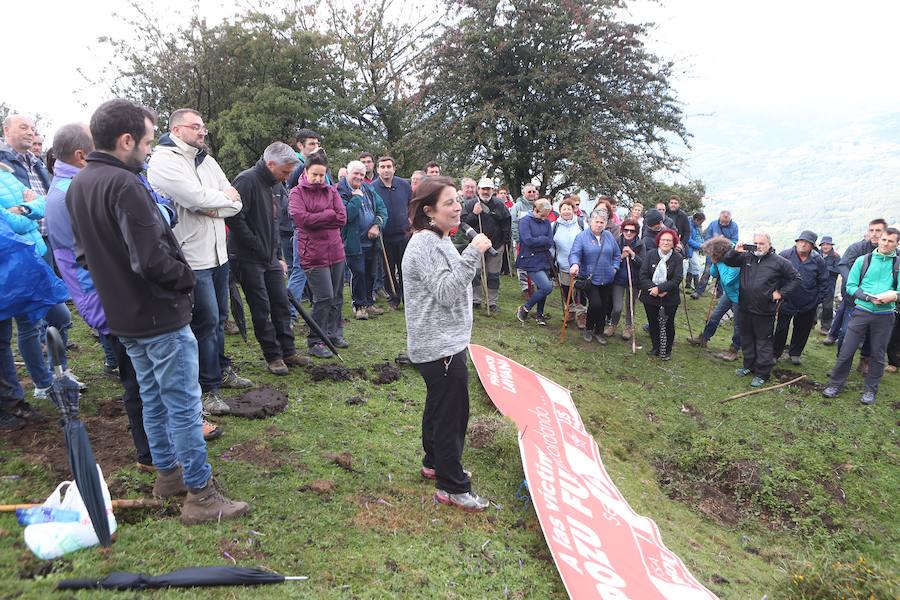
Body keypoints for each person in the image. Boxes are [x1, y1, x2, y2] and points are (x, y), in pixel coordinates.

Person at [67, 98, 248, 524]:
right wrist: (184, 280)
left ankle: (167, 475)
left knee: (152, 396)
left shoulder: (80, 185)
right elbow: (151, 260)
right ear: (126, 140)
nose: (150, 150)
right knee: (183, 404)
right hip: (158, 314)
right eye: (147, 143)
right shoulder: (125, 185)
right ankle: (201, 495)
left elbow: (81, 257)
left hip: (124, 316)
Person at [148, 108, 252, 416]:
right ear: (177, 130)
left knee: (219, 317)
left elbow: (235, 202)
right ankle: (208, 390)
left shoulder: (207, 159)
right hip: (192, 256)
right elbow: (194, 199)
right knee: (204, 322)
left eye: (204, 126)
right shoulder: (164, 161)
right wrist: (217, 202)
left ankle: (221, 368)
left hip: (219, 252)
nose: (203, 131)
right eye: (196, 127)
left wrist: (215, 206)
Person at [401, 175, 493, 512]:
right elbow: (445, 292)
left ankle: (434, 463)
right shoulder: (425, 244)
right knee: (452, 415)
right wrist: (472, 254)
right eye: (449, 203)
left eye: (457, 200)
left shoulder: (437, 239)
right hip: (438, 346)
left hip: (445, 342)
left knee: (439, 406)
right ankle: (452, 486)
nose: (458, 208)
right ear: (429, 211)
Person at [227, 142, 310, 374]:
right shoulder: (246, 180)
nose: (286, 178)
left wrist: (279, 255)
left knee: (281, 303)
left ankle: (288, 350)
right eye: (284, 172)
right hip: (247, 258)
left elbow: (274, 223)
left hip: (271, 258)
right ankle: (273, 356)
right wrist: (256, 247)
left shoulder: (275, 185)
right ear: (270, 163)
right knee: (261, 307)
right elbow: (234, 219)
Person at [0, 164, 79, 401]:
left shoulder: (6, 174)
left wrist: (22, 209)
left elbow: (42, 204)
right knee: (26, 327)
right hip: (10, 270)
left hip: (33, 261)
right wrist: (28, 212)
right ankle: (43, 383)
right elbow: (14, 225)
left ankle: (59, 372)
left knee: (61, 317)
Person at [822, 228, 900, 405]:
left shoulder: (898, 265)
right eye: (884, 239)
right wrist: (866, 297)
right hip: (861, 311)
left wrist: (893, 296)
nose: (886, 243)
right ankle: (835, 385)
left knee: (878, 355)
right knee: (847, 350)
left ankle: (870, 390)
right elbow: (850, 285)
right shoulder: (863, 260)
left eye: (890, 241)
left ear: (897, 244)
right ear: (879, 240)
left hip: (885, 315)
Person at [290, 150, 348, 358]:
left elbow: (342, 217)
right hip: (313, 254)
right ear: (305, 172)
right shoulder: (297, 193)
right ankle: (316, 340)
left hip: (335, 251)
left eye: (322, 175)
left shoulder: (331, 191)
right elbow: (301, 219)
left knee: (337, 296)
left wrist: (319, 217)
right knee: (324, 297)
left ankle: (333, 333)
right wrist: (328, 215)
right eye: (314, 174)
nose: (318, 179)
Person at [723, 233, 801, 388]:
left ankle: (762, 373)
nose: (758, 246)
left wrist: (781, 293)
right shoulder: (747, 257)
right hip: (745, 306)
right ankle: (749, 366)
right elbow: (728, 261)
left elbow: (796, 278)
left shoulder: (779, 262)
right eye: (755, 243)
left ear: (769, 244)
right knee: (746, 338)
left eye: (762, 243)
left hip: (765, 310)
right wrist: (735, 251)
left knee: (763, 342)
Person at [829, 219, 887, 374]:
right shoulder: (857, 248)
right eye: (872, 230)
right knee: (846, 332)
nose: (874, 234)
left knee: (871, 333)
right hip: (854, 300)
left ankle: (864, 360)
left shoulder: (892, 255)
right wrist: (855, 286)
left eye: (878, 230)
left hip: (879, 304)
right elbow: (843, 265)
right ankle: (841, 363)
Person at [338, 160, 388, 320]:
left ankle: (368, 303)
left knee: (371, 274)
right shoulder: (340, 190)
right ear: (348, 173)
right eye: (356, 174)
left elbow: (382, 209)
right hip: (353, 242)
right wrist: (357, 198)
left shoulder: (368, 188)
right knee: (358, 273)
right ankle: (358, 305)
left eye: (362, 174)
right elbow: (345, 216)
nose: (359, 177)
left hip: (372, 241)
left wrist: (377, 225)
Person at [1, 114, 51, 262]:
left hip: (47, 239)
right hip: (20, 248)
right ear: (6, 130)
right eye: (24, 127)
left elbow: (45, 200)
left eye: (32, 129)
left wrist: (26, 207)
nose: (30, 132)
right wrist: (28, 208)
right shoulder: (2, 164)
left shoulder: (37, 162)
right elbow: (5, 218)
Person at [773, 230, 828, 365]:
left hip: (808, 302)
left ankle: (795, 353)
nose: (803, 245)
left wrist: (816, 300)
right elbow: (774, 275)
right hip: (786, 300)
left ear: (812, 246)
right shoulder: (785, 255)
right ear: (797, 242)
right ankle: (775, 353)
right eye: (801, 241)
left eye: (807, 243)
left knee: (802, 329)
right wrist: (777, 292)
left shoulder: (818, 260)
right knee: (781, 328)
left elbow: (824, 282)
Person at [568, 209, 621, 344]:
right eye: (596, 221)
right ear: (591, 221)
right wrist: (575, 264)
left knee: (604, 306)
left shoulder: (609, 236)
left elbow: (617, 254)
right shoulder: (582, 237)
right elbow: (575, 253)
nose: (599, 225)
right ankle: (589, 328)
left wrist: (615, 268)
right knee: (596, 304)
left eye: (602, 222)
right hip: (590, 278)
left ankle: (599, 331)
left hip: (608, 278)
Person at [687, 236, 741, 360]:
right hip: (728, 294)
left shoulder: (735, 260)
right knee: (714, 316)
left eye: (712, 254)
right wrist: (715, 264)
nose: (710, 256)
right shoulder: (720, 260)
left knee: (738, 324)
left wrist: (718, 263)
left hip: (740, 296)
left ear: (718, 252)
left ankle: (734, 349)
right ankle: (703, 339)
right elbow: (714, 274)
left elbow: (728, 281)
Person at [463, 178, 511, 312]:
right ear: (478, 190)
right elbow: (463, 223)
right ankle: (475, 300)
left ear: (492, 190)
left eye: (488, 189)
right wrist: (474, 214)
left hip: (496, 245)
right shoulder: (470, 204)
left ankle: (492, 302)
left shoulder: (500, 205)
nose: (485, 192)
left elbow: (506, 223)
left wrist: (504, 242)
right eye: (483, 189)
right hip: (476, 245)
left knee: (493, 275)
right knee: (475, 273)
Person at [372, 156, 412, 309]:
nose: (386, 170)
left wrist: (410, 221)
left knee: (405, 268)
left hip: (404, 234)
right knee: (387, 269)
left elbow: (411, 205)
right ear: (378, 170)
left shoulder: (404, 185)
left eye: (389, 166)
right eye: (382, 167)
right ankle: (394, 298)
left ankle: (407, 297)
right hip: (384, 236)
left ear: (394, 168)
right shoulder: (373, 188)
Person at [639, 229, 683, 359]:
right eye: (663, 240)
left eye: (669, 240)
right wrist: (654, 289)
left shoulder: (677, 258)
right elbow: (643, 275)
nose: (665, 242)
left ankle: (667, 350)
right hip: (650, 296)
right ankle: (656, 347)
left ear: (673, 242)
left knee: (668, 324)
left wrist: (661, 289)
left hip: (669, 298)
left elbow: (677, 278)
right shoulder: (651, 254)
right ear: (658, 241)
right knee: (653, 323)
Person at [515, 199, 554, 325]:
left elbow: (550, 242)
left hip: (544, 258)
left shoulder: (547, 222)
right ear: (535, 210)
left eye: (546, 216)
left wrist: (540, 241)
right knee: (546, 287)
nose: (544, 218)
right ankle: (525, 307)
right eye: (542, 215)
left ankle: (540, 314)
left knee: (541, 288)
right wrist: (542, 240)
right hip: (530, 259)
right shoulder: (524, 221)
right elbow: (527, 241)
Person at [552, 197, 587, 329]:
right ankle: (570, 311)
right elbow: (552, 245)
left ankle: (582, 314)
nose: (566, 211)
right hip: (562, 264)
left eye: (569, 208)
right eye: (564, 209)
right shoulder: (554, 225)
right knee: (566, 289)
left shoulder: (581, 224)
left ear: (574, 210)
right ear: (560, 210)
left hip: (580, 264)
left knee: (579, 290)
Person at [609, 218, 645, 339]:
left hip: (633, 281)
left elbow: (643, 263)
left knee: (630, 305)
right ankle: (613, 324)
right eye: (626, 230)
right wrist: (622, 256)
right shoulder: (616, 242)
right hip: (618, 280)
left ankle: (628, 327)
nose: (628, 233)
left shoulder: (640, 244)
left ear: (636, 232)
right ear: (622, 230)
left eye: (632, 231)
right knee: (617, 307)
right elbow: (610, 260)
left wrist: (633, 255)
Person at [694, 210, 739, 298]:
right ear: (720, 217)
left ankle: (720, 295)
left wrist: (723, 240)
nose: (724, 223)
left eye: (726, 222)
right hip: (713, 252)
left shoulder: (734, 226)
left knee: (722, 273)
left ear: (730, 219)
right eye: (722, 222)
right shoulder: (713, 224)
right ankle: (699, 291)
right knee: (707, 271)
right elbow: (706, 237)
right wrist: (715, 240)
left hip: (726, 254)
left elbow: (735, 241)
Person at [511, 183, 538, 297]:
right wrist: (517, 239)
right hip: (521, 242)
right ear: (524, 193)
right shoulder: (517, 206)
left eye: (533, 191)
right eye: (529, 192)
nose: (531, 194)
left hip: (535, 242)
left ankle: (533, 285)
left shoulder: (538, 206)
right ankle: (525, 289)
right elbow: (513, 223)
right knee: (522, 265)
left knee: (534, 264)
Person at [818, 236, 840, 332]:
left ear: (831, 245)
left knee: (827, 306)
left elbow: (838, 269)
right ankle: (811, 323)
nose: (825, 246)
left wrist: (825, 268)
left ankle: (825, 327)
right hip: (816, 283)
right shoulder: (816, 254)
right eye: (823, 244)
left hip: (829, 285)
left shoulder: (836, 256)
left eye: (827, 244)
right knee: (811, 304)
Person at [685, 212, 705, 290]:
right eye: (700, 222)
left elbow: (699, 236)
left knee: (691, 267)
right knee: (696, 267)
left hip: (695, 249)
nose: (701, 224)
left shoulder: (696, 226)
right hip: (690, 249)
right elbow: (688, 239)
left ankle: (688, 284)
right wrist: (699, 245)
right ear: (696, 220)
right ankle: (697, 287)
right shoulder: (689, 226)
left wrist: (703, 243)